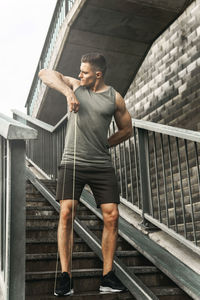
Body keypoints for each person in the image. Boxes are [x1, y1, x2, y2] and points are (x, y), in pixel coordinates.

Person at [38, 53, 132, 297]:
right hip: (72, 162)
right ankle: (66, 276)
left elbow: (127, 129)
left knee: (112, 215)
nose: (80, 75)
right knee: (67, 211)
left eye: (85, 72)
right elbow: (45, 74)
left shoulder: (115, 98)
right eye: (79, 71)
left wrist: (106, 144)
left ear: (98, 74)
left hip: (101, 163)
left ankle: (107, 277)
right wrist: (68, 93)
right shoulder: (76, 86)